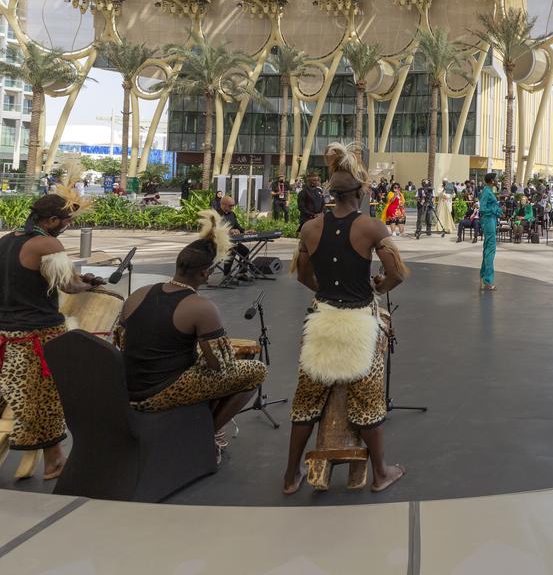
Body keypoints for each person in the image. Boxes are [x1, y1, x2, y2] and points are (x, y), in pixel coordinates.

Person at [284, 142, 408, 495]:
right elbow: (397, 273)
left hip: (322, 319)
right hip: (359, 324)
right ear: (360, 192)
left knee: (306, 399)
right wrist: (379, 285)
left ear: (331, 194)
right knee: (367, 400)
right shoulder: (372, 227)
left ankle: (291, 475)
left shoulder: (310, 229)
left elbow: (302, 275)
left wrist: (324, 290)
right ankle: (380, 473)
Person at [117, 211, 266, 461]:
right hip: (159, 393)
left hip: (127, 386)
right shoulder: (200, 307)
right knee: (255, 371)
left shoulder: (139, 293)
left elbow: (120, 342)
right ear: (205, 273)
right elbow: (221, 367)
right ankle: (209, 432)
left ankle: (199, 425)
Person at [0, 191, 98, 479]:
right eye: (67, 220)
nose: (69, 225)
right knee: (45, 398)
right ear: (52, 219)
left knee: (17, 396)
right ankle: (54, 461)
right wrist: (88, 285)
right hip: (38, 333)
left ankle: (53, 458)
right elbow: (68, 285)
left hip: (5, 332)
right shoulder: (47, 243)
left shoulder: (7, 240)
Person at [478, 173, 500, 291]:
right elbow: (482, 208)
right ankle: (488, 280)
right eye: (496, 178)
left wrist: (497, 210)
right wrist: (495, 210)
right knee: (491, 249)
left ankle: (483, 276)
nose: (497, 180)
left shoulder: (489, 190)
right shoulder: (486, 192)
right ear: (492, 180)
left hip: (491, 220)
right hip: (489, 221)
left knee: (487, 248)